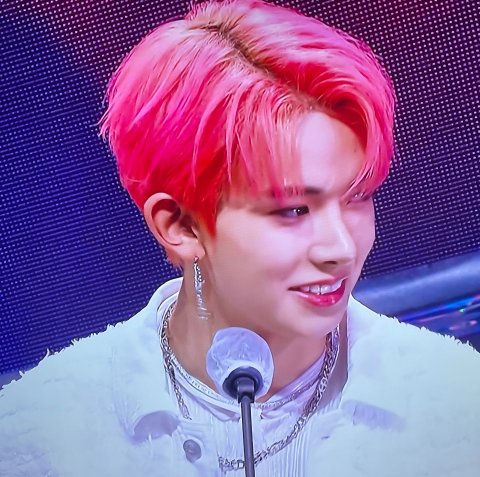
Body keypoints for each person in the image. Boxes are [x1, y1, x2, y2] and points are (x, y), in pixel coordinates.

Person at [1, 0, 479, 476]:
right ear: (179, 225)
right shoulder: (39, 436)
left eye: (358, 196)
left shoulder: (457, 405)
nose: (341, 248)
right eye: (294, 210)